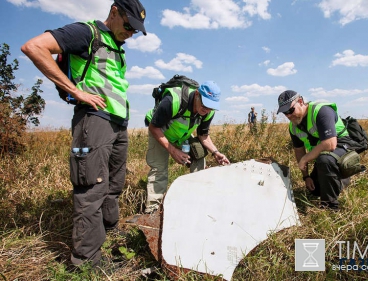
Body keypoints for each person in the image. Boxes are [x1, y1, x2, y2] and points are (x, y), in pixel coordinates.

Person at [21, 0, 147, 267]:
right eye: (128, 25)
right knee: (91, 187)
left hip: (117, 122)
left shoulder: (116, 46)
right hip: (94, 121)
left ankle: (109, 230)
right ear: (114, 11)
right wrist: (76, 90)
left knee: (113, 183)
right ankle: (86, 261)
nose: (130, 33)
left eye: (135, 30)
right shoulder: (87, 33)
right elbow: (34, 47)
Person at [144, 81, 230, 214]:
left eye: (211, 107)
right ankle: (152, 210)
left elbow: (203, 135)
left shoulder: (208, 112)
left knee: (199, 153)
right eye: (205, 104)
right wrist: (173, 151)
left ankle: (197, 198)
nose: (206, 110)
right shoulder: (173, 101)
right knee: (159, 169)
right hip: (160, 132)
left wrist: (216, 152)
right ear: (197, 94)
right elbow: (153, 127)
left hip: (180, 136)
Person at [276, 90, 352, 210]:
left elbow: (330, 144)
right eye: (285, 113)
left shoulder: (321, 111)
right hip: (323, 153)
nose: (289, 115)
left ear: (300, 102)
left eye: (290, 110)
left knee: (325, 160)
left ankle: (330, 206)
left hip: (343, 147)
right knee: (315, 189)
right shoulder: (293, 127)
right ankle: (340, 180)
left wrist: (305, 159)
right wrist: (306, 177)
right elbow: (299, 151)